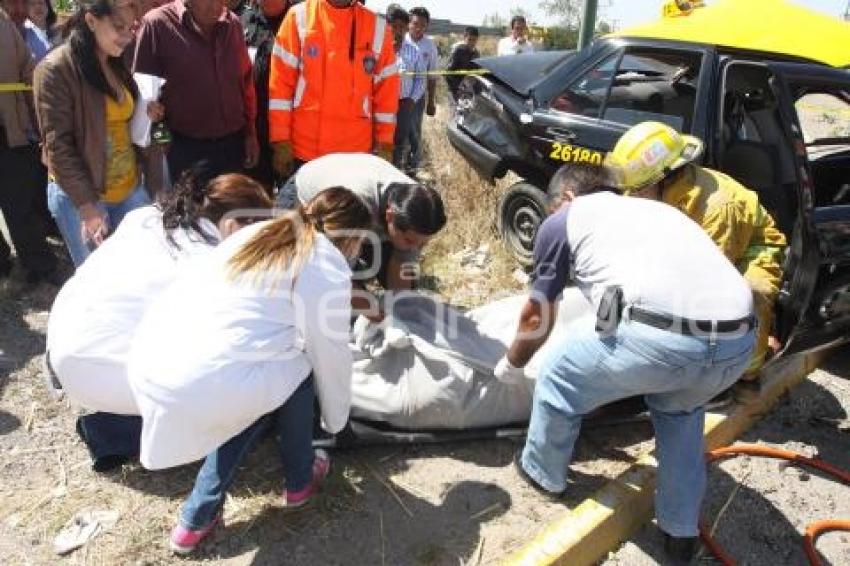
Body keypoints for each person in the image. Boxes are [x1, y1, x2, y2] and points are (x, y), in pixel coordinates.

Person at [497, 163, 755, 563]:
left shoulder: (565, 219)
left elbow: (537, 316)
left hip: (667, 341)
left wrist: (513, 365)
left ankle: (542, 472)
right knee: (680, 413)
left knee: (559, 375)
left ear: (564, 198)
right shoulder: (656, 210)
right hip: (739, 343)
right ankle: (680, 531)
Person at [127, 188, 371, 554]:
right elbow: (331, 354)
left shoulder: (261, 233)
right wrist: (338, 422)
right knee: (291, 376)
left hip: (154, 356)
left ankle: (194, 522)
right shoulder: (325, 265)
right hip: (203, 377)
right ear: (349, 238)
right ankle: (299, 479)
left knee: (259, 384)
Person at [47, 171, 272, 471]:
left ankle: (117, 424)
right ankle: (120, 432)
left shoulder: (148, 217)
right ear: (233, 226)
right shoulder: (206, 263)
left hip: (64, 346)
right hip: (99, 368)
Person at [606, 121, 786, 386]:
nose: (633, 196)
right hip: (701, 244)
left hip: (750, 247)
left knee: (750, 295)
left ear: (665, 177)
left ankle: (748, 370)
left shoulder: (716, 207)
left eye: (640, 189)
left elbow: (713, 273)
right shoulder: (650, 190)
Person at [34, 0, 161, 267]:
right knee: (100, 280)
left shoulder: (118, 60)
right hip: (83, 199)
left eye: (131, 27)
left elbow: (125, 122)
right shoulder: (55, 70)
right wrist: (87, 206)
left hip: (129, 189)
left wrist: (145, 112)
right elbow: (59, 146)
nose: (128, 36)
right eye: (119, 27)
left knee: (141, 269)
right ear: (91, 21)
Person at [277, 152, 446, 297]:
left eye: (423, 243)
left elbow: (401, 281)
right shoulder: (356, 205)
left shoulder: (417, 207)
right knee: (305, 281)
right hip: (308, 195)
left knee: (405, 293)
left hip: (368, 211)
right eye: (410, 241)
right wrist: (374, 313)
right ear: (389, 216)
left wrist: (400, 313)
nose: (415, 249)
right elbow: (337, 276)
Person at [268, 0, 399, 179]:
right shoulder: (298, 17)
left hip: (355, 156)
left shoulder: (378, 28)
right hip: (303, 152)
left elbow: (387, 96)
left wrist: (385, 145)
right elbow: (280, 88)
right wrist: (280, 141)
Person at [133, 0, 259, 182]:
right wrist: (161, 138)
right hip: (186, 149)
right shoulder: (157, 25)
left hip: (233, 146)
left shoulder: (233, 24)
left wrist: (250, 133)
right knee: (193, 209)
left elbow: (245, 83)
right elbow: (144, 93)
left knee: (232, 208)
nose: (217, 6)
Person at [0, 3, 57, 284]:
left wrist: (39, 126)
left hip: (11, 133)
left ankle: (41, 266)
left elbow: (27, 73)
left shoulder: (5, 26)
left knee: (19, 204)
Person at [241, 0, 291, 190]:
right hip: (256, 131)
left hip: (293, 135)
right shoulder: (243, 22)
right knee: (258, 202)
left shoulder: (302, 21)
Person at [393, 5, 437, 175]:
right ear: (408, 24)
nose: (418, 28)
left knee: (414, 130)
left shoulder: (429, 45)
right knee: (395, 132)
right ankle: (397, 164)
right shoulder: (399, 40)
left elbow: (431, 75)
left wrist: (431, 101)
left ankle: (413, 165)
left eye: (423, 25)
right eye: (415, 23)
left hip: (415, 97)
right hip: (393, 97)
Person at [445, 25, 479, 104]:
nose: (472, 42)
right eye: (469, 39)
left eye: (474, 40)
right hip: (455, 91)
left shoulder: (476, 54)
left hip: (468, 91)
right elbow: (448, 73)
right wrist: (457, 87)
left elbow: (477, 72)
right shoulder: (458, 51)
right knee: (456, 114)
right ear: (464, 37)